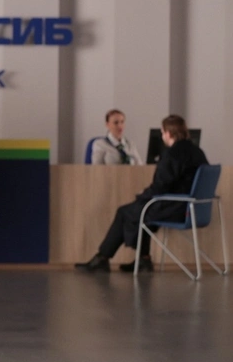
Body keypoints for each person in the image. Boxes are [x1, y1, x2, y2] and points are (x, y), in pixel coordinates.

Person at [75, 115, 208, 273]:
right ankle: (142, 259)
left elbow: (160, 186)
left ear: (168, 133)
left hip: (176, 208)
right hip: (192, 208)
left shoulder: (172, 154)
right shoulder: (197, 151)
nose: (162, 136)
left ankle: (103, 258)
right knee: (139, 211)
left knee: (126, 212)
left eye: (162, 132)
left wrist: (142, 196)